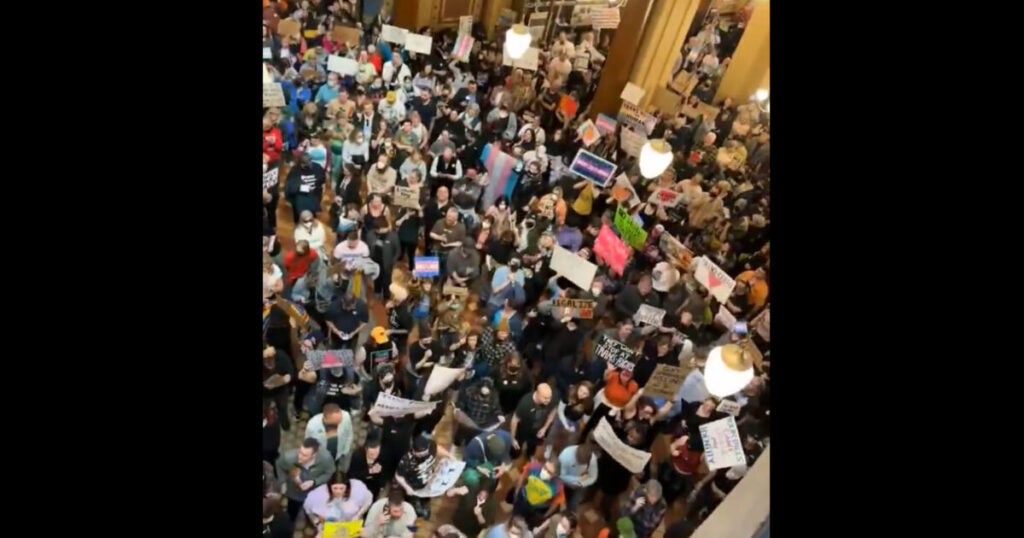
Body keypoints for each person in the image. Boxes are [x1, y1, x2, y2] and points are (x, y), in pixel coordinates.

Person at [276, 438, 337, 522]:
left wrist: (315, 481)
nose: (300, 456)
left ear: (314, 455)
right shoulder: (288, 457)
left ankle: (309, 518)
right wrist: (282, 482)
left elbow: (330, 473)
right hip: (294, 493)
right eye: (300, 452)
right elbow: (279, 465)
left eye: (304, 455)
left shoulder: (326, 459)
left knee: (312, 509)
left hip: (314, 492)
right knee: (292, 511)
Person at [395, 434, 452, 518]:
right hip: (414, 488)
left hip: (428, 482)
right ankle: (416, 509)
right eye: (420, 454)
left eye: (425, 452)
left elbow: (437, 448)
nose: (424, 455)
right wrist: (407, 488)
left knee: (426, 504)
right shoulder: (406, 460)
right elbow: (398, 475)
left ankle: (425, 504)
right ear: (414, 451)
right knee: (417, 511)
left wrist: (449, 456)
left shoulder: (430, 445)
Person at [302, 470, 374, 533]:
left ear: (347, 486)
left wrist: (358, 515)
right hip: (328, 527)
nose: (338, 491)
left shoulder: (358, 488)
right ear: (329, 486)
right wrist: (317, 523)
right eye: (335, 488)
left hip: (350, 525)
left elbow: (368, 500)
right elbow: (308, 508)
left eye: (341, 488)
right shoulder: (317, 495)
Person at [511, 456, 565, 528]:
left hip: (535, 508)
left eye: (549, 472)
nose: (545, 471)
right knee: (515, 513)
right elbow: (522, 477)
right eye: (545, 467)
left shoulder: (558, 486)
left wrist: (545, 515)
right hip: (523, 497)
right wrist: (517, 492)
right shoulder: (534, 466)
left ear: (555, 475)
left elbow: (556, 503)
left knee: (526, 522)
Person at [510, 383, 557, 461]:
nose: (548, 400)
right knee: (516, 448)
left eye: (549, 397)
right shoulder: (525, 403)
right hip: (523, 429)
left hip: (537, 430)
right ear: (537, 394)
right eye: (545, 398)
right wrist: (512, 438)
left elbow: (553, 411)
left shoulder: (552, 399)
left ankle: (529, 455)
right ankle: (513, 458)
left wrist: (545, 428)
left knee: (532, 447)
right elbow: (514, 420)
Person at [305, 403, 354, 471]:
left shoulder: (346, 416)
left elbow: (349, 434)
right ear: (325, 418)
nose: (339, 424)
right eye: (335, 422)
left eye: (340, 420)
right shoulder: (312, 426)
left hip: (339, 452)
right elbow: (309, 444)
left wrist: (345, 451)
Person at [262, 342, 295, 432]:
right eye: (265, 360)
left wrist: (284, 379)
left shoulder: (281, 355)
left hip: (281, 391)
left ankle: (284, 423)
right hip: (265, 394)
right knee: (265, 407)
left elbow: (291, 371)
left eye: (271, 358)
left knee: (283, 408)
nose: (269, 362)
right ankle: (266, 419)